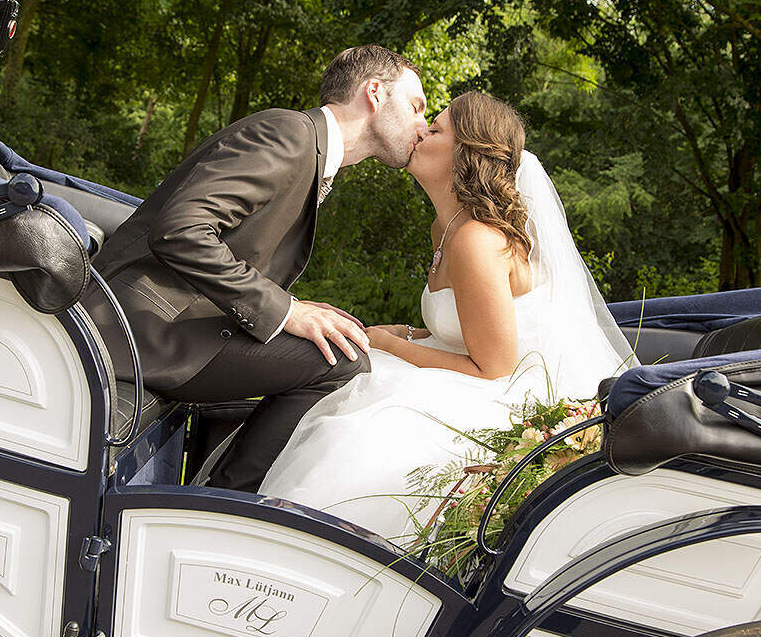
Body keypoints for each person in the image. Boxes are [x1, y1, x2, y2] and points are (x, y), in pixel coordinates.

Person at [258, 91, 636, 543]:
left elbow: (494, 367)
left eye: (435, 129)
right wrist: (410, 332)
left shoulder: (476, 239)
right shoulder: (445, 227)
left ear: (466, 154)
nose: (419, 131)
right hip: (484, 371)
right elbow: (465, 327)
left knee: (358, 433)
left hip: (509, 392)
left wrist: (391, 344)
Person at [84, 46, 428, 492]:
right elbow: (181, 230)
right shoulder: (289, 134)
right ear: (375, 93)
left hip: (180, 325)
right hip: (140, 326)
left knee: (341, 341)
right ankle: (224, 503)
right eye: (416, 106)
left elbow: (234, 250)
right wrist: (286, 311)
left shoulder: (309, 150)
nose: (423, 125)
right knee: (342, 361)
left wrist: (294, 307)